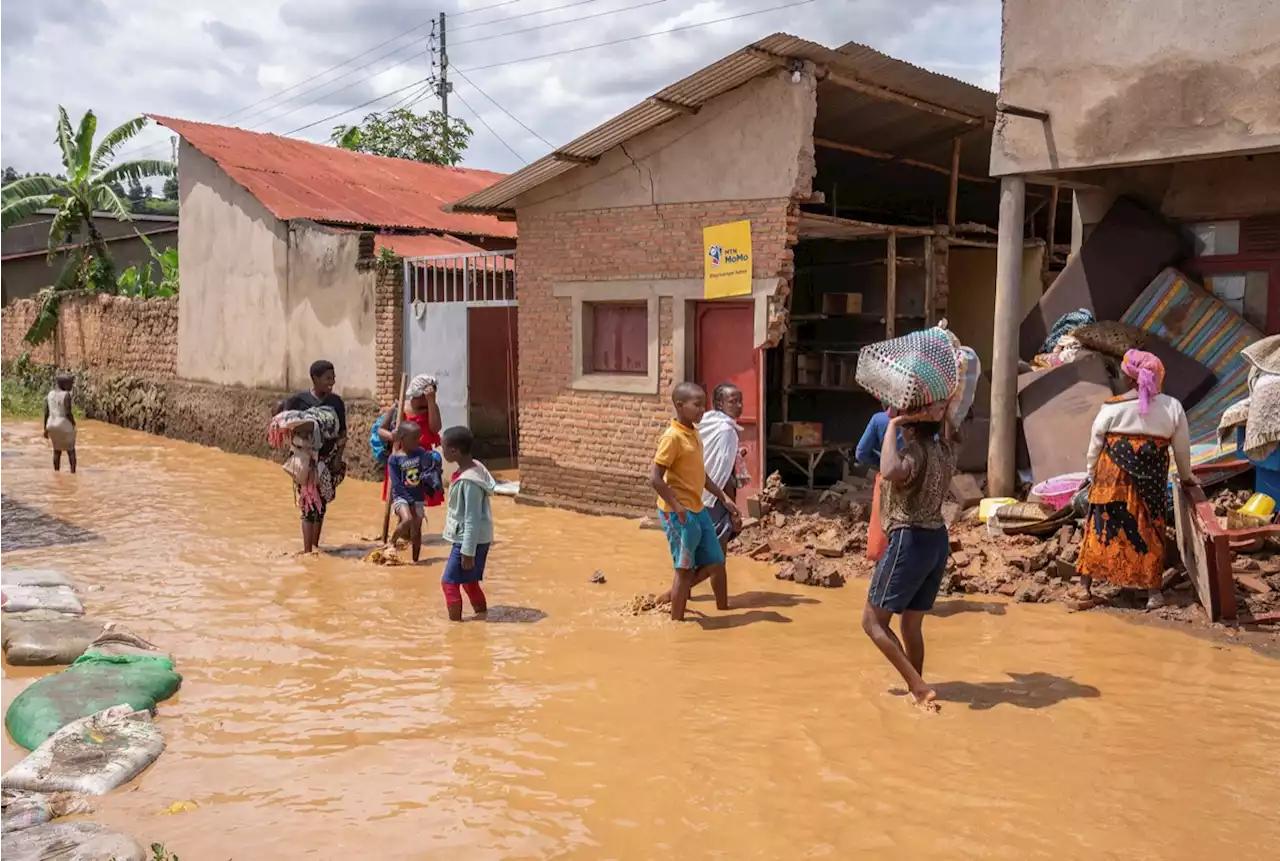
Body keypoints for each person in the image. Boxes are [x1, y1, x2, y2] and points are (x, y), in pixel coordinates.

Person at [1074, 349, 1196, 610]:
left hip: (1111, 479)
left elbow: (1095, 446)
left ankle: (1084, 588)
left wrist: (1090, 473)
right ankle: (1154, 594)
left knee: (1100, 527)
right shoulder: (1173, 407)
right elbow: (1182, 451)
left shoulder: (1111, 408)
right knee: (1149, 529)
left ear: (1128, 379)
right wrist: (1187, 478)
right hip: (1150, 482)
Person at [861, 403, 957, 712]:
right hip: (936, 540)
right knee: (911, 624)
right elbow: (954, 432)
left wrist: (891, 426)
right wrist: (944, 412)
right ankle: (917, 684)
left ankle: (917, 687)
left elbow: (889, 469)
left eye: (903, 426)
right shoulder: (945, 451)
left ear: (910, 428)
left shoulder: (914, 453)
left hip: (909, 539)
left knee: (872, 622)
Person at [651, 382, 740, 621]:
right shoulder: (673, 438)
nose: (702, 410)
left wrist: (724, 498)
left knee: (715, 560)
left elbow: (701, 475)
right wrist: (678, 508)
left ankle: (685, 600)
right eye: (697, 405)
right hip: (678, 512)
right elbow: (655, 478)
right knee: (684, 569)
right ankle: (677, 625)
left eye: (703, 404)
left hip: (698, 508)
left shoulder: (694, 432)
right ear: (680, 406)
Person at [281, 360, 347, 551]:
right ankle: (307, 550)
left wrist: (337, 458)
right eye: (327, 378)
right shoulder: (297, 401)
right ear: (315, 379)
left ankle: (315, 548)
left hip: (328, 460)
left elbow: (342, 433)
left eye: (333, 378)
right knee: (308, 503)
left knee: (322, 504)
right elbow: (286, 425)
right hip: (306, 460)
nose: (332, 382)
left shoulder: (336, 403)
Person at [440, 425, 496, 622]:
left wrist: (467, 550)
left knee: (448, 583)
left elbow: (472, 517)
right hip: (476, 538)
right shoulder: (476, 467)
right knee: (469, 581)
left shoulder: (469, 481)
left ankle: (456, 627)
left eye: (443, 447)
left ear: (454, 451)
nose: (442, 451)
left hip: (469, 540)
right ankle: (482, 617)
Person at [376, 374, 444, 510]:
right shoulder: (400, 408)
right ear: (418, 395)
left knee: (418, 503)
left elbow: (435, 428)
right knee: (400, 499)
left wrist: (431, 402)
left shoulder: (432, 408)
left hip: (421, 460)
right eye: (428, 396)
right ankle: (403, 527)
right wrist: (392, 436)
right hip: (401, 457)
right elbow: (380, 430)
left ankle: (413, 528)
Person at [388, 421, 433, 563]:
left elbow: (426, 472)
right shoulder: (394, 459)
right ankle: (391, 541)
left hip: (418, 497)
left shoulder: (420, 453)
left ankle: (415, 561)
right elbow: (396, 484)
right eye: (414, 438)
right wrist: (410, 501)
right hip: (401, 497)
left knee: (416, 530)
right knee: (407, 519)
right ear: (402, 439)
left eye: (418, 438)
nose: (417, 441)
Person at [43, 373, 77, 474]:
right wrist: (73, 424)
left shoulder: (50, 394)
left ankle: (56, 472)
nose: (71, 386)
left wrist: (45, 429)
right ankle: (73, 473)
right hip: (63, 423)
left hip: (51, 424)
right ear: (64, 384)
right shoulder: (66, 395)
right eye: (69, 383)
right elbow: (68, 412)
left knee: (56, 450)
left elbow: (46, 412)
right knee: (71, 450)